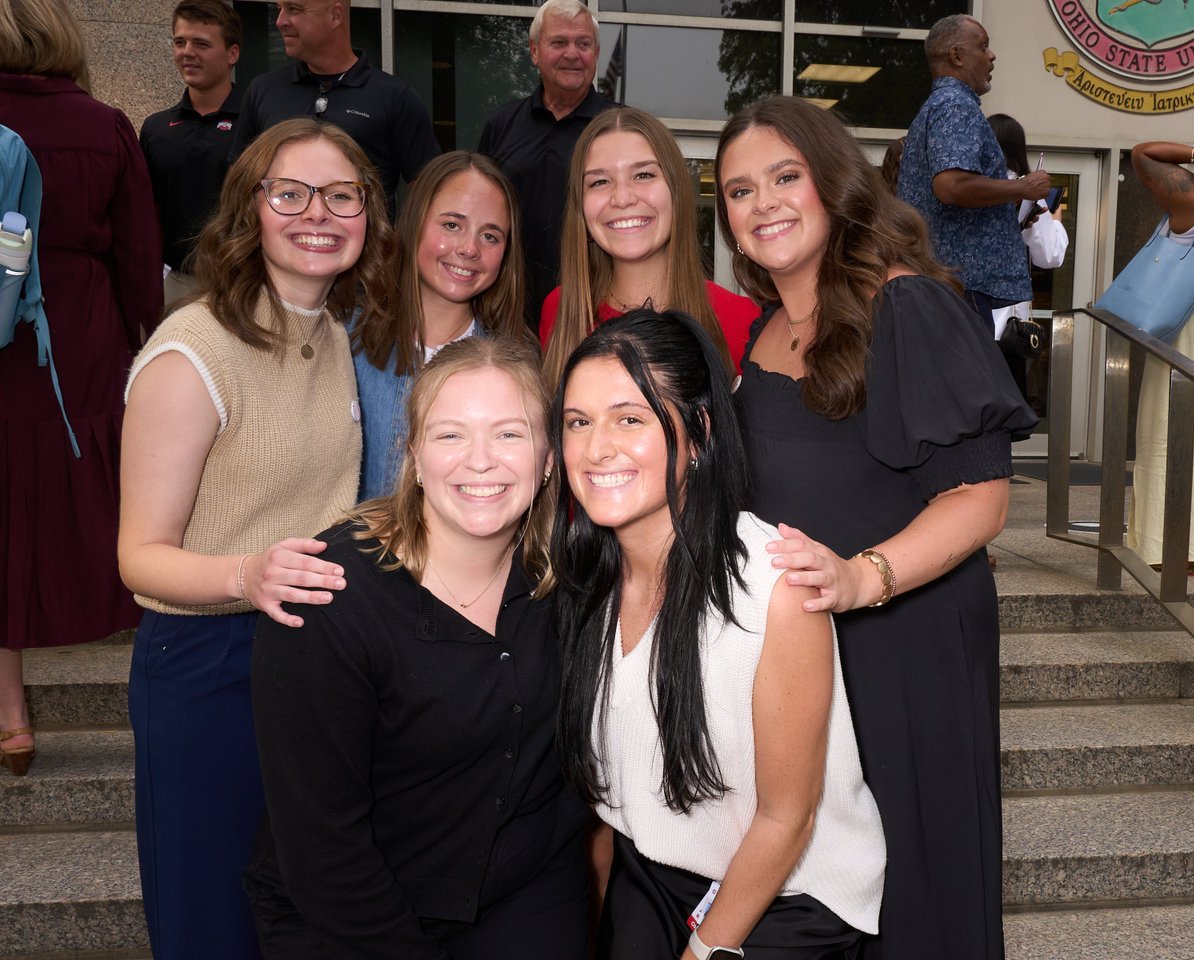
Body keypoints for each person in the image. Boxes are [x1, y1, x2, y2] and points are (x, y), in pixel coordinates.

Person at [715, 95, 1037, 960]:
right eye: (740, 190)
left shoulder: (906, 306)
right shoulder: (765, 330)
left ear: (833, 183)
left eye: (786, 177)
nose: (766, 202)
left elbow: (981, 495)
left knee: (911, 897)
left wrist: (864, 577)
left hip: (905, 645)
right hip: (811, 649)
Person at [119, 118, 392, 959]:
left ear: (368, 215)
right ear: (252, 210)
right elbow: (138, 555)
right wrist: (249, 574)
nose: (319, 212)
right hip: (205, 664)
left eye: (341, 195)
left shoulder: (334, 334)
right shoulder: (192, 350)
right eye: (292, 193)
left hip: (306, 659)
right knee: (212, 921)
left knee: (294, 913)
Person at [553, 310, 886, 959]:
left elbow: (787, 819)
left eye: (630, 418)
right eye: (577, 422)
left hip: (787, 894)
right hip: (656, 871)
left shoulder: (775, 589)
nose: (597, 449)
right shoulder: (583, 577)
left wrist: (705, 951)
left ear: (698, 433)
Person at [245, 335, 590, 960]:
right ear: (414, 454)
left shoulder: (568, 580)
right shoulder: (328, 597)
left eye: (510, 434)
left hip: (520, 892)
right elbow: (323, 848)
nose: (479, 461)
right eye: (451, 434)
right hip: (349, 914)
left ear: (548, 460)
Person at [0, 0, 162, 777]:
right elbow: (139, 259)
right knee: (98, 494)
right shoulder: (105, 127)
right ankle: (148, 683)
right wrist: (145, 340)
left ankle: (10, 714)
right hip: (79, 338)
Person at [353, 150, 526, 501]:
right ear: (416, 221)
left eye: (490, 236)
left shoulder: (516, 368)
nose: (469, 248)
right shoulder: (344, 338)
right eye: (452, 225)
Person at [541, 107, 757, 385]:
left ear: (676, 190)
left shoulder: (743, 321)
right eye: (599, 181)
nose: (622, 198)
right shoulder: (560, 311)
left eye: (643, 175)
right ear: (580, 209)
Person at [896, 14, 1050, 337]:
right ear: (956, 56)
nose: (992, 56)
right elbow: (951, 185)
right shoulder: (955, 105)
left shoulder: (939, 106)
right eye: (984, 46)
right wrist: (1021, 186)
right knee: (966, 386)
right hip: (958, 288)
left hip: (944, 282)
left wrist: (1012, 213)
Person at [478, 0, 615, 329]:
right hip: (507, 307)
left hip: (591, 305)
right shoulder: (503, 124)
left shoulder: (617, 127)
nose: (572, 53)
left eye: (583, 44)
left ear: (596, 55)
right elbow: (479, 211)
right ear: (535, 51)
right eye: (559, 42)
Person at [231, 0, 439, 215]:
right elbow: (238, 186)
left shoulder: (395, 97)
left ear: (335, 16)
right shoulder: (263, 91)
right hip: (279, 245)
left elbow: (432, 194)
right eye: (279, 9)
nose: (280, 21)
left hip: (364, 247)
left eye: (293, 9)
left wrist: (401, 246)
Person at [1126, 140, 1194, 567]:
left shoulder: (1191, 199)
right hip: (1185, 334)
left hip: (1186, 336)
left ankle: (1167, 548)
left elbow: (1144, 154)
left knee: (1170, 433)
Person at [140, 0, 243, 304]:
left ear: (232, 54)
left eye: (201, 44)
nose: (187, 52)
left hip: (246, 284)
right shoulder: (156, 129)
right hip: (178, 283)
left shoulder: (258, 122)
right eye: (180, 42)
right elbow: (144, 213)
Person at [987, 112, 1068, 397]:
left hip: (965, 319)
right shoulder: (1027, 191)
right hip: (1009, 328)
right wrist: (1055, 218)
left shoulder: (970, 190)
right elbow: (1050, 256)